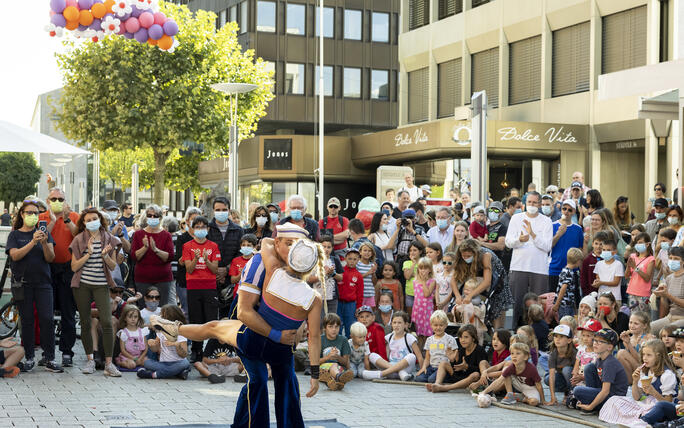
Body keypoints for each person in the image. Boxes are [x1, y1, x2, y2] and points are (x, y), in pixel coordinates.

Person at [152, 232, 324, 427]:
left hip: (255, 340)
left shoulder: (274, 272)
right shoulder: (314, 299)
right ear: (311, 269)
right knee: (285, 386)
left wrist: (281, 242)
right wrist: (315, 375)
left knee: (213, 328)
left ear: (290, 257)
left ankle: (177, 329)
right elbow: (315, 338)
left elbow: (266, 244)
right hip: (282, 349)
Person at [6, 200, 61, 373]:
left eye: (36, 213)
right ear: (22, 215)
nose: (32, 216)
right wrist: (32, 242)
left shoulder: (44, 234)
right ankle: (29, 356)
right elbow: (14, 256)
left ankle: (49, 357)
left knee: (46, 319)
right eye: (29, 212)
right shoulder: (15, 235)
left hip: (43, 283)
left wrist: (44, 242)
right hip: (23, 284)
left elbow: (50, 258)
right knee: (27, 320)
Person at [70, 207, 122, 376]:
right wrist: (88, 254)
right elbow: (74, 267)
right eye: (88, 219)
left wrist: (105, 256)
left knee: (107, 321)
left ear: (100, 220)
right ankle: (90, 360)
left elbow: (113, 266)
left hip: (101, 285)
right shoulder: (79, 239)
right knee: (85, 322)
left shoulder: (110, 239)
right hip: (82, 285)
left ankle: (109, 363)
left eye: (95, 218)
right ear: (83, 223)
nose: (92, 221)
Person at [38, 187, 80, 367]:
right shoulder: (41, 218)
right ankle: (48, 353)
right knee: (46, 314)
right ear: (47, 201)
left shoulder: (74, 216)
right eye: (53, 199)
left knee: (68, 313)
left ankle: (67, 352)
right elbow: (40, 237)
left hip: (68, 269)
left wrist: (67, 218)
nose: (57, 202)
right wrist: (54, 221)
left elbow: (79, 236)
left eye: (60, 199)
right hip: (46, 268)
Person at [600, 339, 677, 426]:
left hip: (661, 406)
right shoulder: (645, 371)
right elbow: (637, 397)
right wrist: (635, 382)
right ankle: (638, 420)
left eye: (649, 355)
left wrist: (653, 392)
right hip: (646, 403)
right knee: (614, 399)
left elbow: (668, 403)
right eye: (643, 354)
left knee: (657, 408)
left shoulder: (667, 375)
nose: (645, 358)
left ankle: (639, 422)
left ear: (658, 356)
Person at [505, 191, 553, 327]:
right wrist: (519, 240)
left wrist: (532, 234)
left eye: (534, 202)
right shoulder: (516, 218)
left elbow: (547, 246)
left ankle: (538, 330)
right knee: (517, 302)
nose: (531, 205)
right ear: (525, 204)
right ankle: (515, 330)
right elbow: (508, 242)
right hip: (518, 266)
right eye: (529, 202)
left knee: (538, 304)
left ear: (539, 204)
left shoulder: (546, 221)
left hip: (539, 269)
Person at [183, 215, 221, 363]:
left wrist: (206, 260)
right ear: (193, 229)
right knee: (196, 319)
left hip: (210, 287)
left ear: (208, 229)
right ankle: (196, 350)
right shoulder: (187, 246)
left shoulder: (213, 246)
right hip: (193, 287)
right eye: (197, 227)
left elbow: (214, 270)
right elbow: (189, 269)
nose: (200, 230)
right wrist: (195, 259)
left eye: (203, 227)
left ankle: (209, 351)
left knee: (211, 320)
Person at [452, 239, 513, 329]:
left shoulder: (485, 255)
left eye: (468, 256)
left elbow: (487, 282)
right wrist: (457, 296)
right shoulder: (461, 258)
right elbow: (453, 279)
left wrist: (470, 296)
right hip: (477, 276)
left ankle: (497, 333)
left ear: (475, 253)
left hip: (497, 280)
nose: (465, 258)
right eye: (463, 256)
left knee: (496, 308)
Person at [570, 328, 628, 415]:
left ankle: (592, 406)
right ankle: (593, 404)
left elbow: (605, 391)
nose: (595, 343)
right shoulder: (600, 358)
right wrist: (581, 378)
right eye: (595, 340)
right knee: (589, 367)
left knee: (577, 390)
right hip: (606, 393)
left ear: (609, 347)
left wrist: (590, 407)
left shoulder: (609, 363)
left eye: (600, 342)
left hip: (613, 398)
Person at [130, 204, 175, 306]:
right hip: (142, 279)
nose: (152, 218)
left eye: (155, 216)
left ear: (160, 218)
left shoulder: (166, 235)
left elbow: (170, 257)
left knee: (162, 310)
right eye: (149, 215)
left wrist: (155, 249)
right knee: (143, 308)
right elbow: (134, 256)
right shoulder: (138, 234)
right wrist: (145, 248)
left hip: (163, 279)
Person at [207, 196, 244, 314]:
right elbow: (204, 250)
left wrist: (227, 269)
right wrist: (216, 270)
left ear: (229, 210)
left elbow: (240, 252)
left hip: (231, 279)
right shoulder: (207, 229)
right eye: (218, 210)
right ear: (213, 211)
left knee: (229, 314)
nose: (221, 212)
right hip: (211, 277)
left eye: (224, 210)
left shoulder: (238, 230)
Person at [362, 311, 422, 381]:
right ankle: (399, 371)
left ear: (406, 325)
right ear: (391, 324)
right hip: (393, 370)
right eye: (394, 322)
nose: (396, 325)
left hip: (406, 369)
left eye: (399, 323)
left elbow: (419, 357)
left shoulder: (409, 337)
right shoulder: (389, 337)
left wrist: (421, 372)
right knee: (372, 355)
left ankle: (380, 374)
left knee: (412, 356)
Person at [427, 324, 488, 393]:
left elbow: (482, 370)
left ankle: (446, 388)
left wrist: (467, 367)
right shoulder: (461, 350)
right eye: (461, 337)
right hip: (460, 377)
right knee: (444, 363)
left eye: (466, 337)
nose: (463, 340)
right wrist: (452, 361)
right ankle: (437, 384)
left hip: (471, 379)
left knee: (476, 374)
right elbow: (457, 368)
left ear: (473, 338)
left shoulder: (479, 350)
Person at [138, 304, 191, 379]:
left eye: (162, 316)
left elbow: (184, 355)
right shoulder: (160, 332)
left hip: (178, 362)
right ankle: (178, 373)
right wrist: (152, 344)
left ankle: (153, 375)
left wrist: (176, 345)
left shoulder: (181, 333)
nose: (160, 318)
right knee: (146, 362)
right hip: (163, 363)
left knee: (185, 363)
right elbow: (155, 350)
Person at [549, 200, 584, 293]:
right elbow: (549, 246)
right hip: (555, 269)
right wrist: (558, 234)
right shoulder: (552, 225)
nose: (566, 211)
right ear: (561, 210)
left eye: (570, 210)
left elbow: (580, 250)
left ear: (573, 212)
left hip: (573, 270)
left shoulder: (578, 229)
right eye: (564, 209)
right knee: (552, 299)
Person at [415, 310, 458, 383]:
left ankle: (445, 377)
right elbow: (427, 358)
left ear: (446, 325)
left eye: (441, 325)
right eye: (435, 325)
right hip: (431, 367)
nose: (438, 328)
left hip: (443, 368)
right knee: (418, 378)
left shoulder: (450, 339)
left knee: (431, 380)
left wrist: (452, 358)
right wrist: (424, 367)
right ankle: (433, 376)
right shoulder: (429, 339)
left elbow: (455, 357)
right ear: (431, 325)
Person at [175, 207, 202, 318]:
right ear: (187, 221)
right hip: (185, 282)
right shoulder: (182, 238)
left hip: (201, 281)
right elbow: (180, 260)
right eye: (193, 219)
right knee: (187, 312)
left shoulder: (205, 238)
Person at [651, 246, 684, 333]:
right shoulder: (669, 278)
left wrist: (668, 295)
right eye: (670, 258)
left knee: (666, 332)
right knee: (647, 329)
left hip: (682, 318)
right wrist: (661, 295)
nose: (672, 261)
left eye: (676, 258)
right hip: (670, 317)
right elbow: (666, 304)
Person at [616, 311, 655, 383]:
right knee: (620, 356)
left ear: (644, 326)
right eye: (630, 322)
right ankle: (629, 384)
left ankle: (630, 384)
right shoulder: (629, 339)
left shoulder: (648, 338)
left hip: (646, 369)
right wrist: (627, 343)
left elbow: (641, 360)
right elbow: (628, 362)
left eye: (636, 323)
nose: (632, 326)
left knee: (621, 353)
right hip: (635, 371)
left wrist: (629, 345)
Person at [319, 313, 353, 390]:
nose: (334, 330)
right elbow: (315, 361)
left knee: (336, 366)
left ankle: (332, 382)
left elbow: (345, 362)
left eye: (336, 327)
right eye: (330, 327)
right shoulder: (320, 340)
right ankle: (338, 378)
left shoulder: (343, 340)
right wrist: (328, 357)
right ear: (325, 328)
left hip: (338, 367)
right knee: (332, 366)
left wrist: (337, 357)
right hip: (322, 369)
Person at [544, 325, 577, 405]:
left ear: (569, 340)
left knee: (566, 370)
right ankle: (566, 391)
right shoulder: (553, 354)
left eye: (561, 337)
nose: (557, 339)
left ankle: (571, 394)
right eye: (555, 336)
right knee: (547, 378)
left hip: (574, 380)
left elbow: (577, 372)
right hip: (562, 378)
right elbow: (552, 376)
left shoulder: (574, 353)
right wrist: (553, 397)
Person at [625, 232, 656, 312]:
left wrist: (635, 267)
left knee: (643, 317)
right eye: (636, 243)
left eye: (640, 242)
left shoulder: (651, 259)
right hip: (632, 291)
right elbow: (626, 276)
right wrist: (628, 266)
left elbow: (647, 278)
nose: (638, 245)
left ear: (647, 244)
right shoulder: (633, 256)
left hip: (643, 294)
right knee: (633, 316)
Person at [315, 235, 342, 319]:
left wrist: (332, 274)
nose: (326, 249)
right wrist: (324, 274)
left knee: (331, 320)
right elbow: (309, 279)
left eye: (329, 247)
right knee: (320, 321)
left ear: (332, 248)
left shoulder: (335, 260)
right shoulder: (314, 260)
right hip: (318, 296)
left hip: (332, 297)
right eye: (324, 247)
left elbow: (341, 277)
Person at [337, 248, 364, 336]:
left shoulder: (358, 276)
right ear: (345, 258)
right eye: (350, 258)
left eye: (355, 259)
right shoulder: (340, 272)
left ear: (358, 260)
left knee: (351, 327)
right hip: (339, 303)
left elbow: (360, 294)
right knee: (338, 325)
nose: (352, 261)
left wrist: (358, 307)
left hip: (351, 305)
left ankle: (350, 346)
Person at [115, 305, 148, 370]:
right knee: (132, 365)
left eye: (135, 317)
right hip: (127, 357)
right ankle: (120, 362)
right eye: (130, 317)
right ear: (125, 318)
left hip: (139, 356)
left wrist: (140, 358)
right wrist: (134, 358)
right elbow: (123, 350)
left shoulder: (142, 331)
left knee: (148, 363)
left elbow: (146, 349)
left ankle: (138, 363)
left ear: (138, 318)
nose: (133, 319)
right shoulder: (123, 333)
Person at [553, 248, 583, 319]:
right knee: (566, 323)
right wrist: (557, 304)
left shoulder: (564, 270)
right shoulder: (569, 273)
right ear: (578, 261)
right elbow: (563, 288)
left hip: (567, 304)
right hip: (565, 304)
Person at [412, 257, 436, 344]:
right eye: (421, 268)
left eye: (425, 268)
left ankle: (427, 351)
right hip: (417, 309)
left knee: (427, 333)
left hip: (427, 310)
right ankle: (420, 351)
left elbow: (426, 294)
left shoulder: (432, 281)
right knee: (418, 333)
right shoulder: (415, 281)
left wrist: (423, 282)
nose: (423, 270)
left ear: (430, 269)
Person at [480, 201, 508, 267]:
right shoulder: (485, 227)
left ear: (501, 214)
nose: (492, 212)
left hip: (496, 263)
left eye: (496, 210)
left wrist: (482, 244)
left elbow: (501, 246)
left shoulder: (502, 228)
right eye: (490, 210)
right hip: (483, 261)